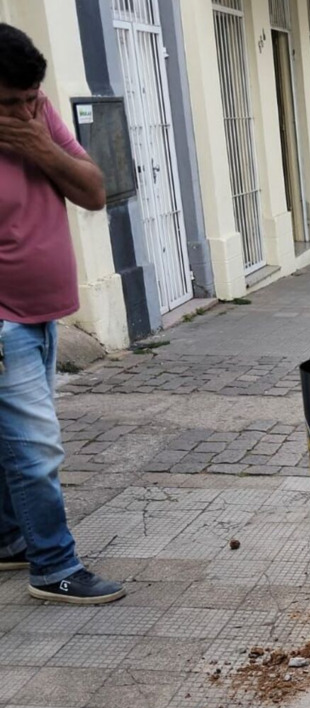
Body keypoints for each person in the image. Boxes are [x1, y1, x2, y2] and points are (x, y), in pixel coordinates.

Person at [0, 24, 124, 604]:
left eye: (32, 99)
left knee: (17, 440)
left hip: (41, 312)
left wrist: (37, 143)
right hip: (4, 321)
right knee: (36, 446)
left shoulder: (37, 116)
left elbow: (94, 191)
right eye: (9, 104)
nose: (25, 111)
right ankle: (53, 566)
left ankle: (10, 540)